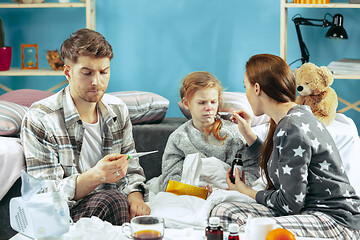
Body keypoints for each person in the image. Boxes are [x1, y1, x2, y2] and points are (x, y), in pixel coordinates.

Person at [210, 54, 360, 239]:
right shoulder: (295, 116)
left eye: (245, 86)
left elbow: (289, 204)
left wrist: (246, 191)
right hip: (311, 211)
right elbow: (281, 162)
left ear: (257, 88)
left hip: (335, 220)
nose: (246, 93)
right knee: (224, 212)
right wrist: (248, 133)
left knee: (247, 226)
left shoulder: (291, 127)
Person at [21, 28, 150, 225]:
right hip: (62, 212)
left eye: (103, 72)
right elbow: (44, 193)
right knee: (114, 199)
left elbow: (131, 166)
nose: (96, 82)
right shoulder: (40, 118)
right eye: (87, 73)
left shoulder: (118, 110)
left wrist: (135, 197)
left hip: (113, 205)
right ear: (67, 72)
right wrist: (96, 176)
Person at [160, 71, 259, 191]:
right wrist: (197, 191)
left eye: (213, 102)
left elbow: (252, 171)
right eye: (202, 103)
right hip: (191, 195)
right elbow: (169, 182)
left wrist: (231, 190)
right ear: (186, 103)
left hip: (230, 193)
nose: (209, 108)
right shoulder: (179, 138)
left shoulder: (234, 133)